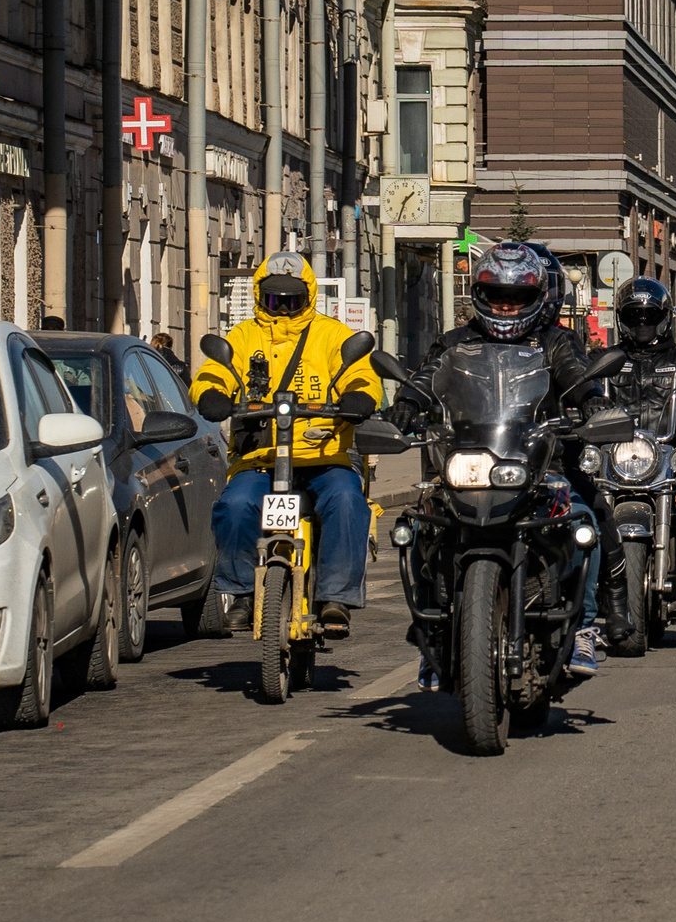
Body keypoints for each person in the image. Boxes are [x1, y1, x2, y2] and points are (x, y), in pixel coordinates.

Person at [397, 244, 618, 681]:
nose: (505, 305)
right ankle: (431, 633)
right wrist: (407, 403)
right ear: (480, 293)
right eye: (496, 294)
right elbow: (429, 376)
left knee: (584, 519)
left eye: (516, 297)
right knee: (425, 525)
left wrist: (592, 402)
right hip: (470, 463)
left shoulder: (555, 341)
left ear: (536, 299)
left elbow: (574, 375)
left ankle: (587, 626)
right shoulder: (458, 342)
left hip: (541, 466)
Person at [191, 252, 383, 643]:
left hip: (323, 456)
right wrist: (210, 393)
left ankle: (336, 597)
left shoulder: (332, 335)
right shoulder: (244, 336)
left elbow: (359, 371)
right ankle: (242, 592)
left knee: (348, 501)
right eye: (274, 299)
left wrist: (360, 396)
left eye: (292, 300)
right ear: (260, 296)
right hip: (260, 458)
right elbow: (216, 370)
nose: (282, 307)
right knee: (235, 506)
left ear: (308, 296)